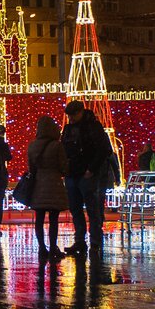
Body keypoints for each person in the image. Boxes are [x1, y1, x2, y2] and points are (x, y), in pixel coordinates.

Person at [59, 100, 116, 255]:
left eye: (73, 115)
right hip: (74, 173)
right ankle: (80, 241)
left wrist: (91, 169)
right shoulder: (70, 128)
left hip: (87, 174)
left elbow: (104, 150)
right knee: (76, 208)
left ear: (80, 112)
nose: (70, 119)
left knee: (93, 209)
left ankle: (94, 242)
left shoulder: (93, 127)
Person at [28, 116, 69, 259]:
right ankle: (53, 248)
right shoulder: (57, 145)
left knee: (39, 219)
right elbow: (64, 167)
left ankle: (41, 248)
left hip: (38, 185)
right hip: (54, 185)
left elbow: (31, 168)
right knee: (54, 219)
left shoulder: (32, 146)